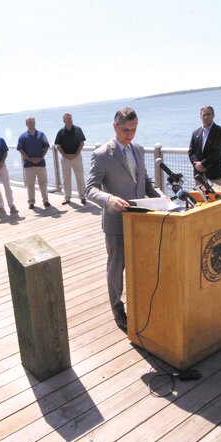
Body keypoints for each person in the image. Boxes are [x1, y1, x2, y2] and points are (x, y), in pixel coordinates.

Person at [86, 107, 161, 332]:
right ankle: (118, 309)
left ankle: (139, 302)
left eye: (134, 129)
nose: (130, 135)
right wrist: (109, 199)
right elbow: (89, 189)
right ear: (115, 126)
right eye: (126, 130)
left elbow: (145, 183)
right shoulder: (101, 154)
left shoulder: (138, 149)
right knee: (116, 269)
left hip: (141, 222)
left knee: (141, 265)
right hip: (116, 223)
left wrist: (161, 196)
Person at [188, 105, 221, 186]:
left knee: (217, 197)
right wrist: (196, 164)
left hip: (214, 173)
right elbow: (191, 151)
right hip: (198, 174)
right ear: (200, 116)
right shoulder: (195, 133)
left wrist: (203, 164)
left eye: (208, 114)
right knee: (199, 197)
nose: (206, 117)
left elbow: (219, 151)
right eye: (203, 115)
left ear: (213, 115)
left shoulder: (220, 131)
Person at [17, 116, 51, 209]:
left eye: (32, 122)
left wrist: (41, 157)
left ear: (35, 122)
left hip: (40, 163)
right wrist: (29, 158)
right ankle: (31, 202)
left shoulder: (41, 134)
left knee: (43, 183)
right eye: (29, 122)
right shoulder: (23, 136)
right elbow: (20, 149)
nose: (31, 123)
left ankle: (46, 200)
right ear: (26, 124)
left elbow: (46, 147)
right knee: (30, 184)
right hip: (28, 164)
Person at [55, 112, 86, 205]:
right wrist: (65, 155)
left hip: (77, 157)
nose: (70, 121)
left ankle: (83, 197)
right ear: (64, 121)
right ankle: (67, 197)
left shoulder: (78, 130)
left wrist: (76, 154)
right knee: (66, 178)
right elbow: (58, 146)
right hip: (65, 158)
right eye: (68, 119)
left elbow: (82, 143)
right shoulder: (60, 132)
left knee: (80, 177)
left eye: (71, 119)